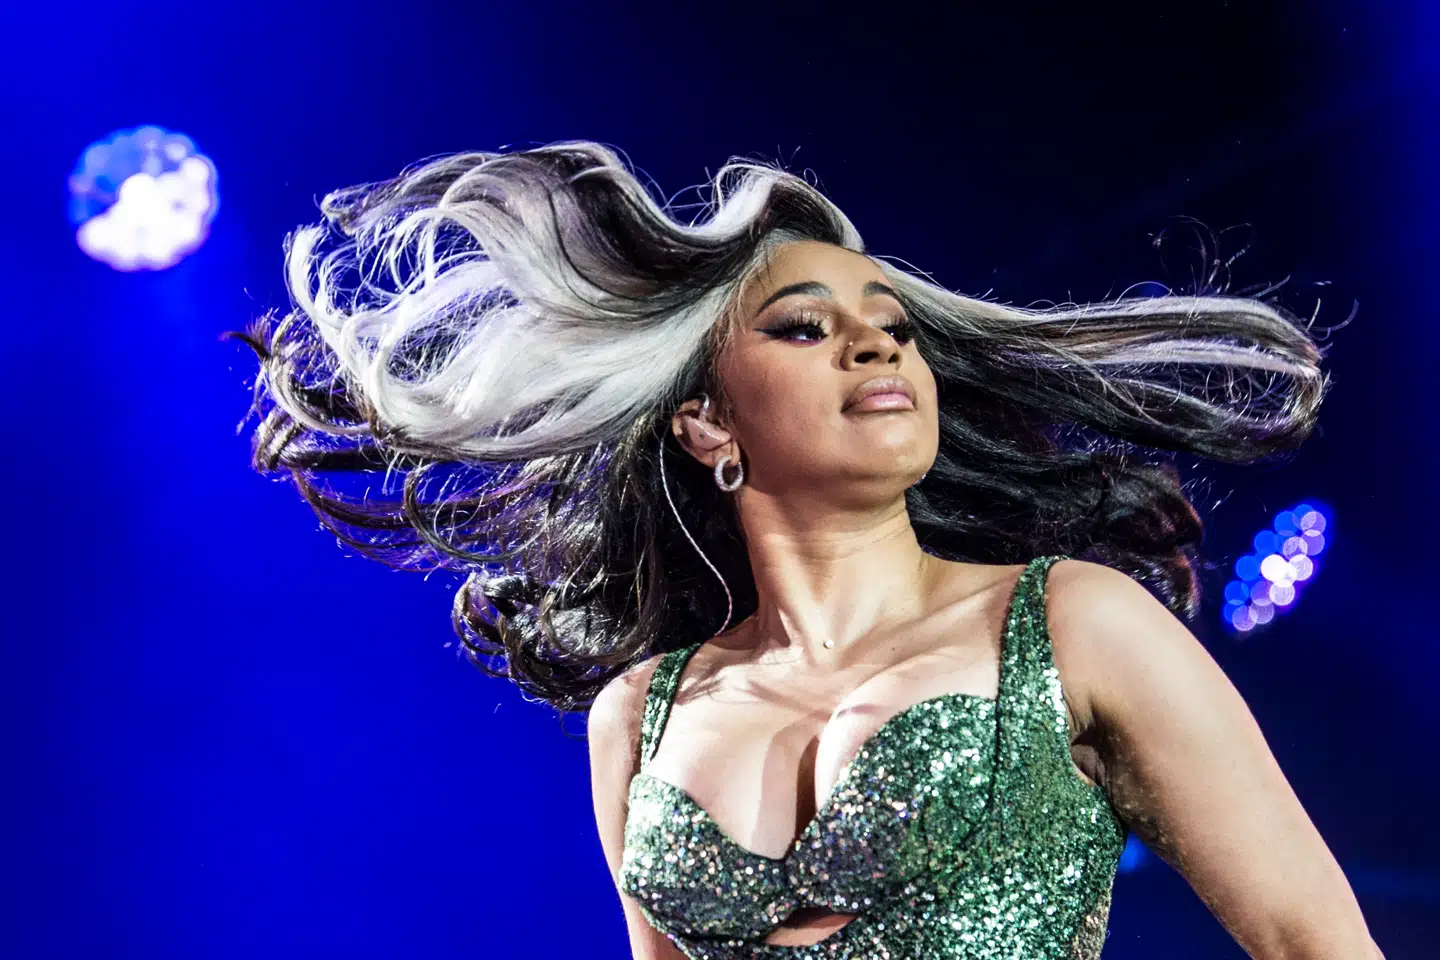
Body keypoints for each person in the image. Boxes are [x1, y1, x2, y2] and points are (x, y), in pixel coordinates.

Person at [226, 141, 1384, 958]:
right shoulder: (641, 717)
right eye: (806, 327)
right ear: (707, 424)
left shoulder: (1071, 626)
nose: (876, 347)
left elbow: (1315, 942)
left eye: (895, 327)